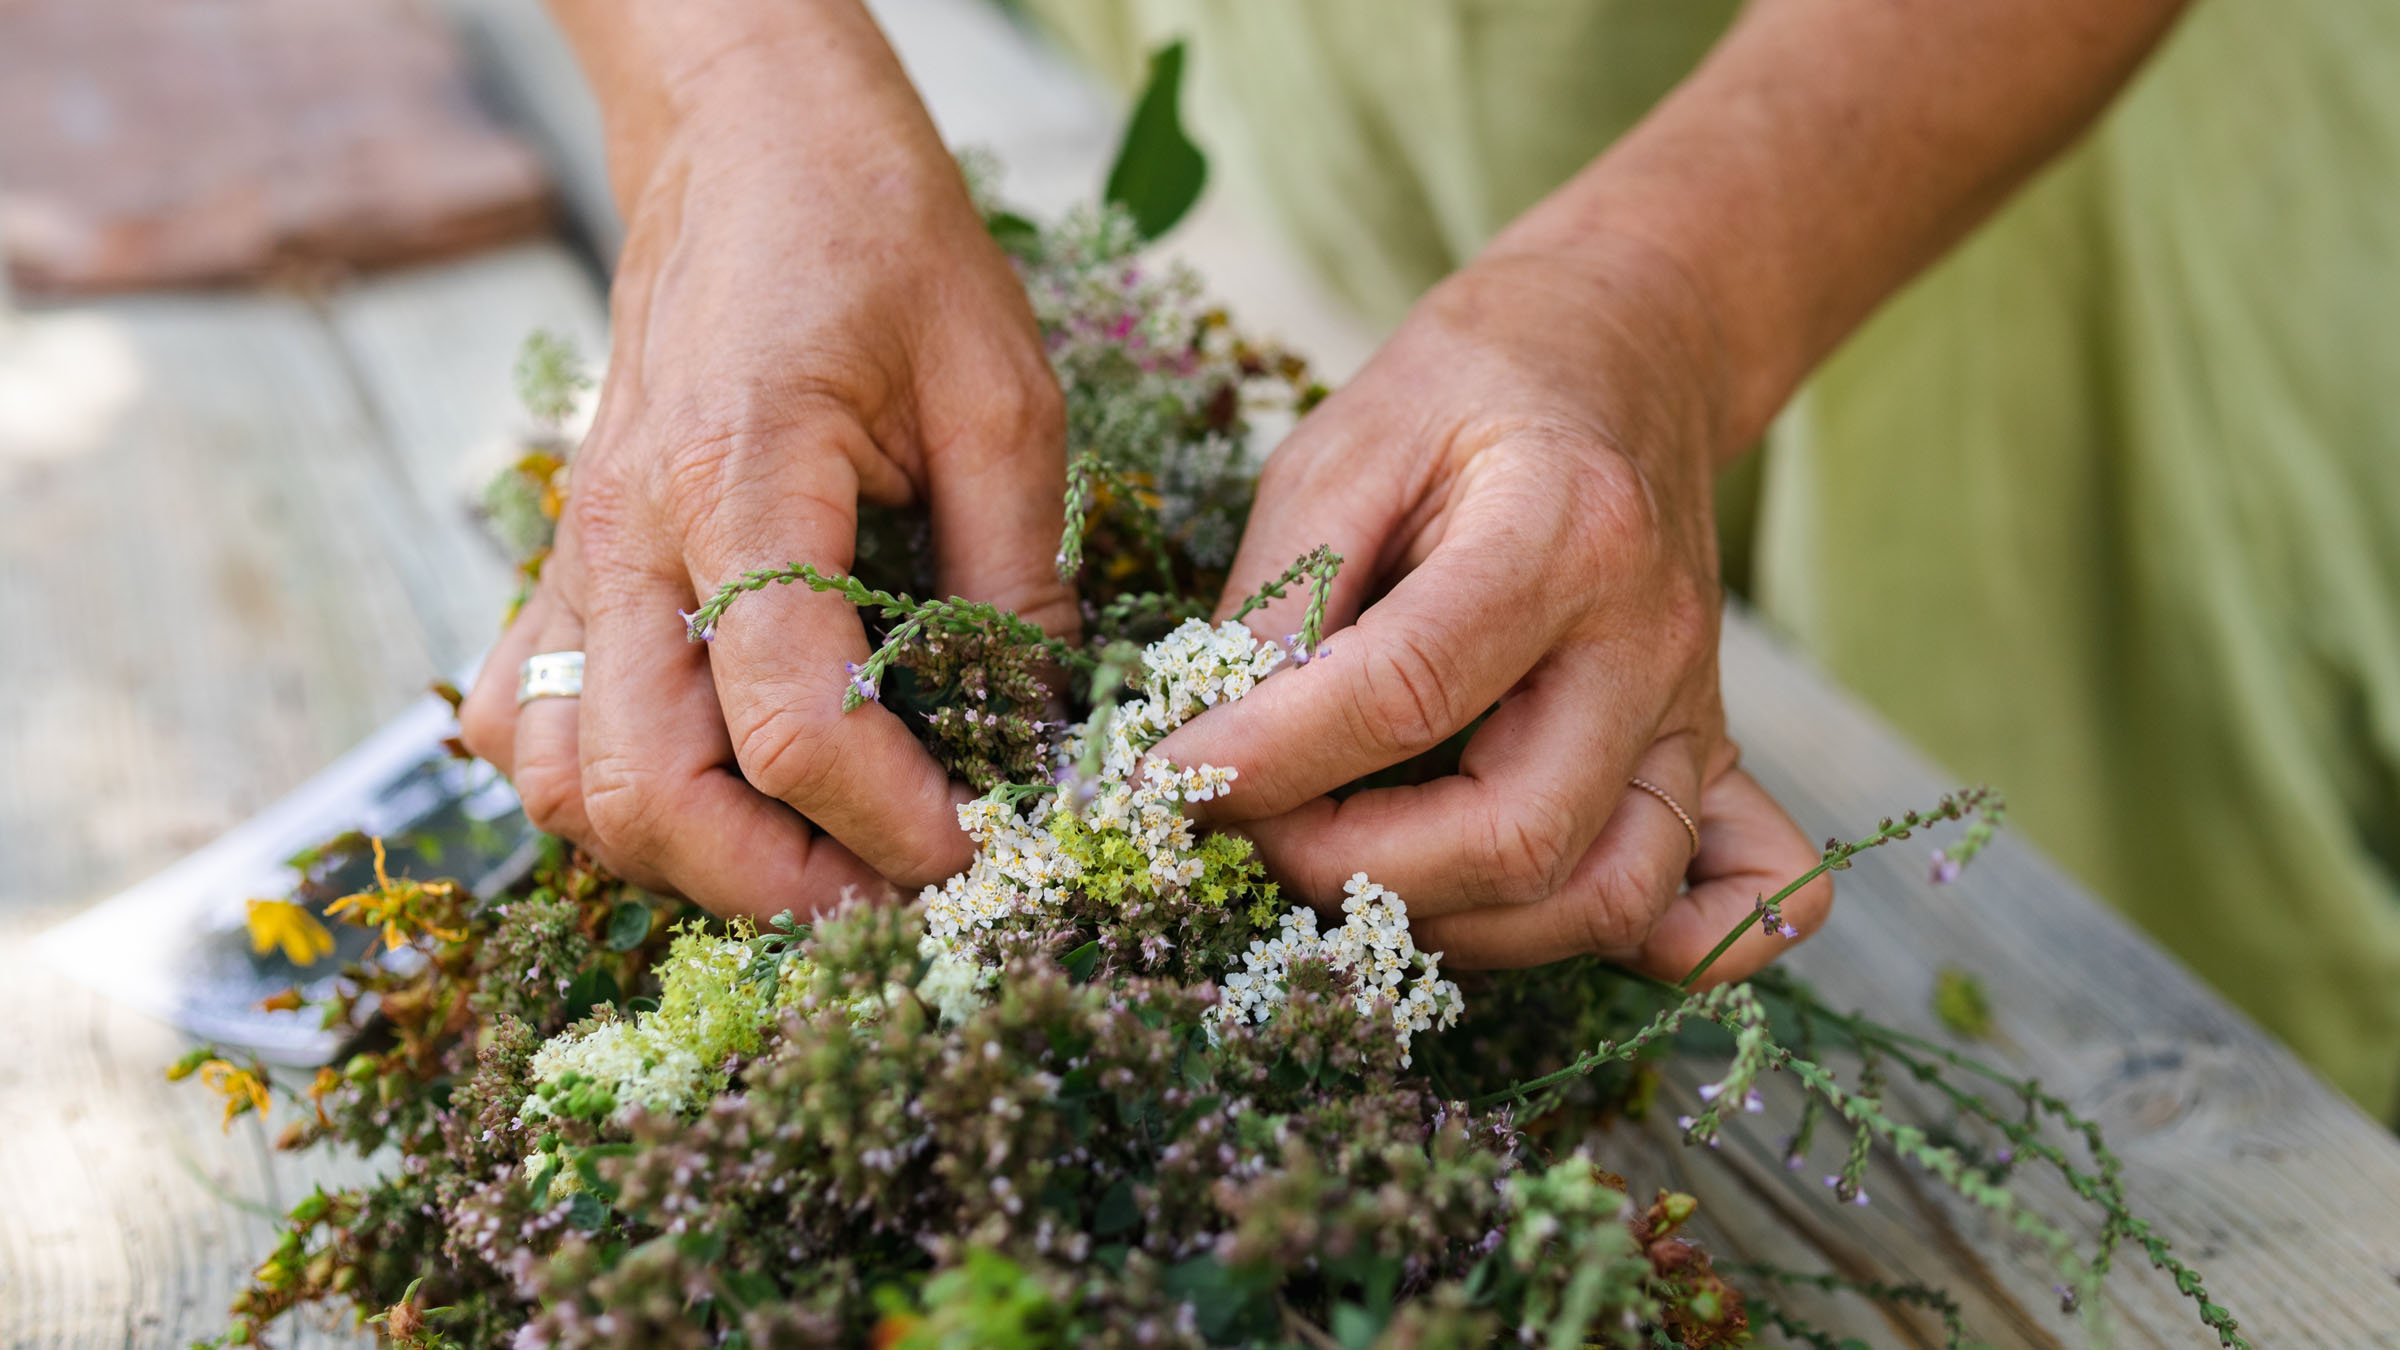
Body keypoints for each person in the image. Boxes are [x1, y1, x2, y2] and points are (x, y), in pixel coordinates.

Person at [460, 0, 2400, 1117]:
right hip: (1342, 76)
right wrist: (728, 79)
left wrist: (1665, 298)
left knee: (2112, 925)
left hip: (2035, 138)